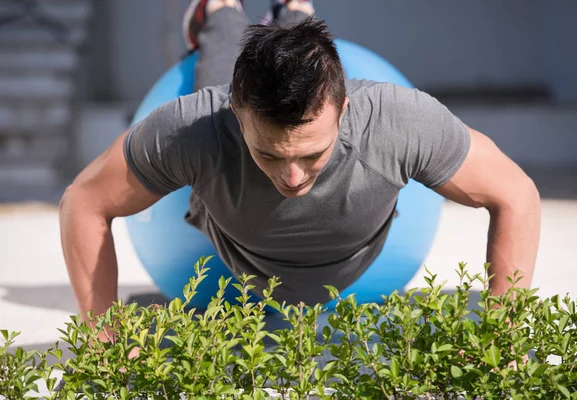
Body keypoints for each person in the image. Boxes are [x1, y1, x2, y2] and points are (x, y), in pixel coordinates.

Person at [59, 0, 541, 327]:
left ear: (345, 110)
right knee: (227, 58)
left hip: (360, 258)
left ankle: (295, 12)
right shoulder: (195, 125)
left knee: (294, 54)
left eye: (312, 154)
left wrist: (504, 340)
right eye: (270, 154)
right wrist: (106, 344)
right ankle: (221, 11)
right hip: (228, 250)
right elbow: (84, 201)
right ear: (235, 112)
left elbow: (516, 195)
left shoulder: (399, 121)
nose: (292, 178)